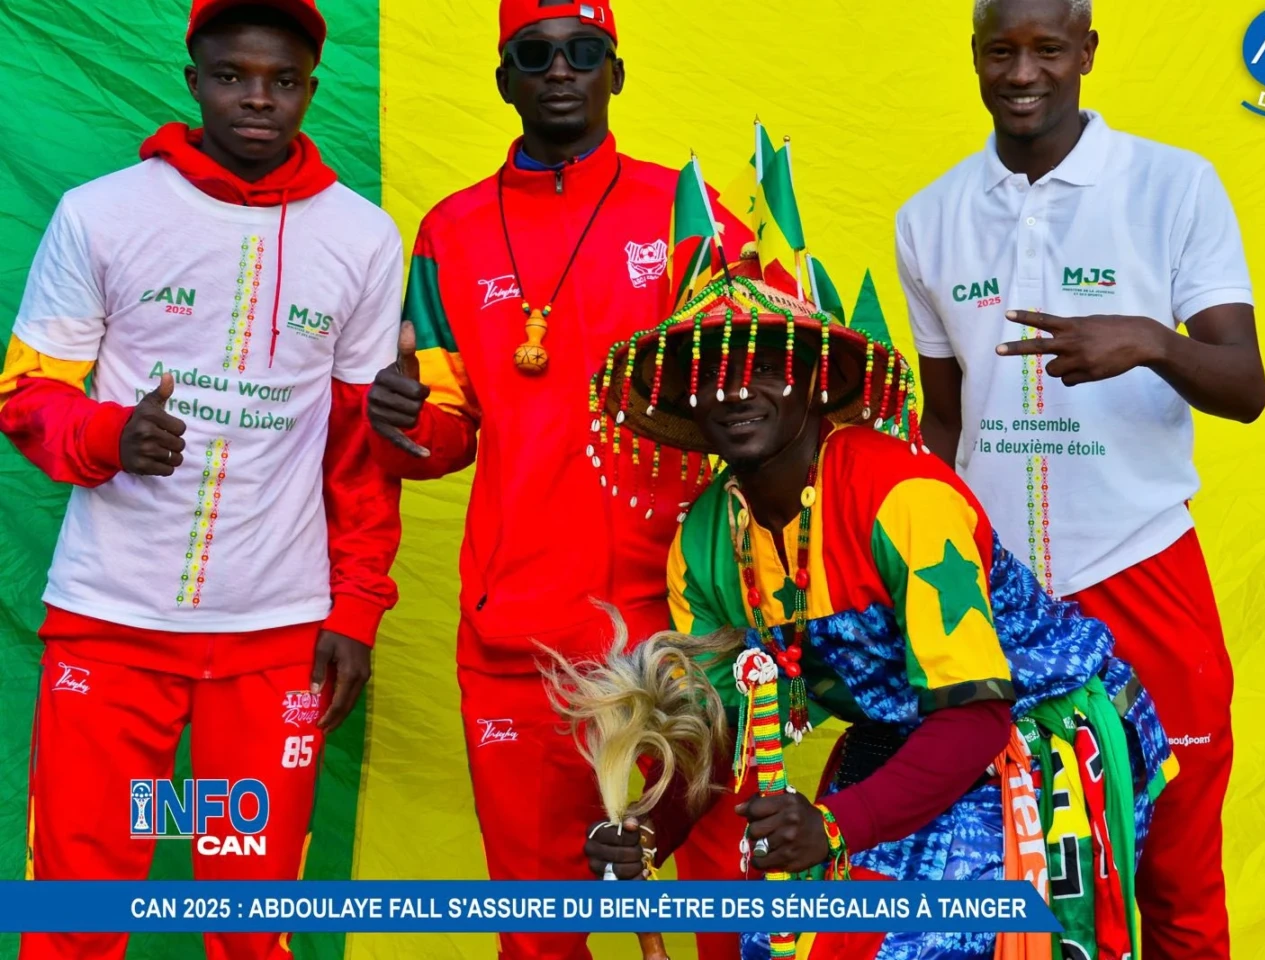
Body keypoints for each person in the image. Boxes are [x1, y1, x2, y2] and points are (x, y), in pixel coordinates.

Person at [568, 253, 1177, 959]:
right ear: (685, 398)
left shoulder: (903, 496)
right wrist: (643, 828)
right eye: (711, 375)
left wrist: (832, 826)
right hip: (904, 738)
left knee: (914, 947)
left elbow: (977, 715)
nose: (736, 392)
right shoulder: (703, 543)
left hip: (1038, 738)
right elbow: (719, 735)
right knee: (777, 944)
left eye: (763, 365)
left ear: (812, 382)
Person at [0, 1, 402, 957]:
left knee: (251, 918)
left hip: (276, 635)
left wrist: (355, 611)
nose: (256, 100)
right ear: (194, 80)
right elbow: (26, 392)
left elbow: (358, 452)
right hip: (114, 613)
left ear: (311, 86)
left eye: (282, 80)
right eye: (232, 76)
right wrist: (108, 434)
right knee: (78, 908)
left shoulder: (363, 236)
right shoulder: (101, 212)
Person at [363, 2, 752, 957]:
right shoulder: (449, 232)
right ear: (504, 79)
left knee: (720, 916)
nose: (560, 70)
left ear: (616, 72)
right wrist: (404, 422)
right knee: (538, 931)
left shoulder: (689, 216)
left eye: (585, 52)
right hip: (521, 636)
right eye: (534, 55)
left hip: (686, 629)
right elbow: (447, 432)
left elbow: (768, 394)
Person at [895, 0, 1265, 955]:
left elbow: (1246, 387)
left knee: (1175, 863)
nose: (1023, 74)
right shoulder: (928, 219)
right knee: (1019, 866)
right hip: (993, 593)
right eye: (1000, 51)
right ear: (974, 58)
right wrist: (914, 569)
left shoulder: (1173, 186)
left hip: (1142, 566)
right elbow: (945, 418)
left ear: (1087, 54)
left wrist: (1147, 341)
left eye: (1048, 50)